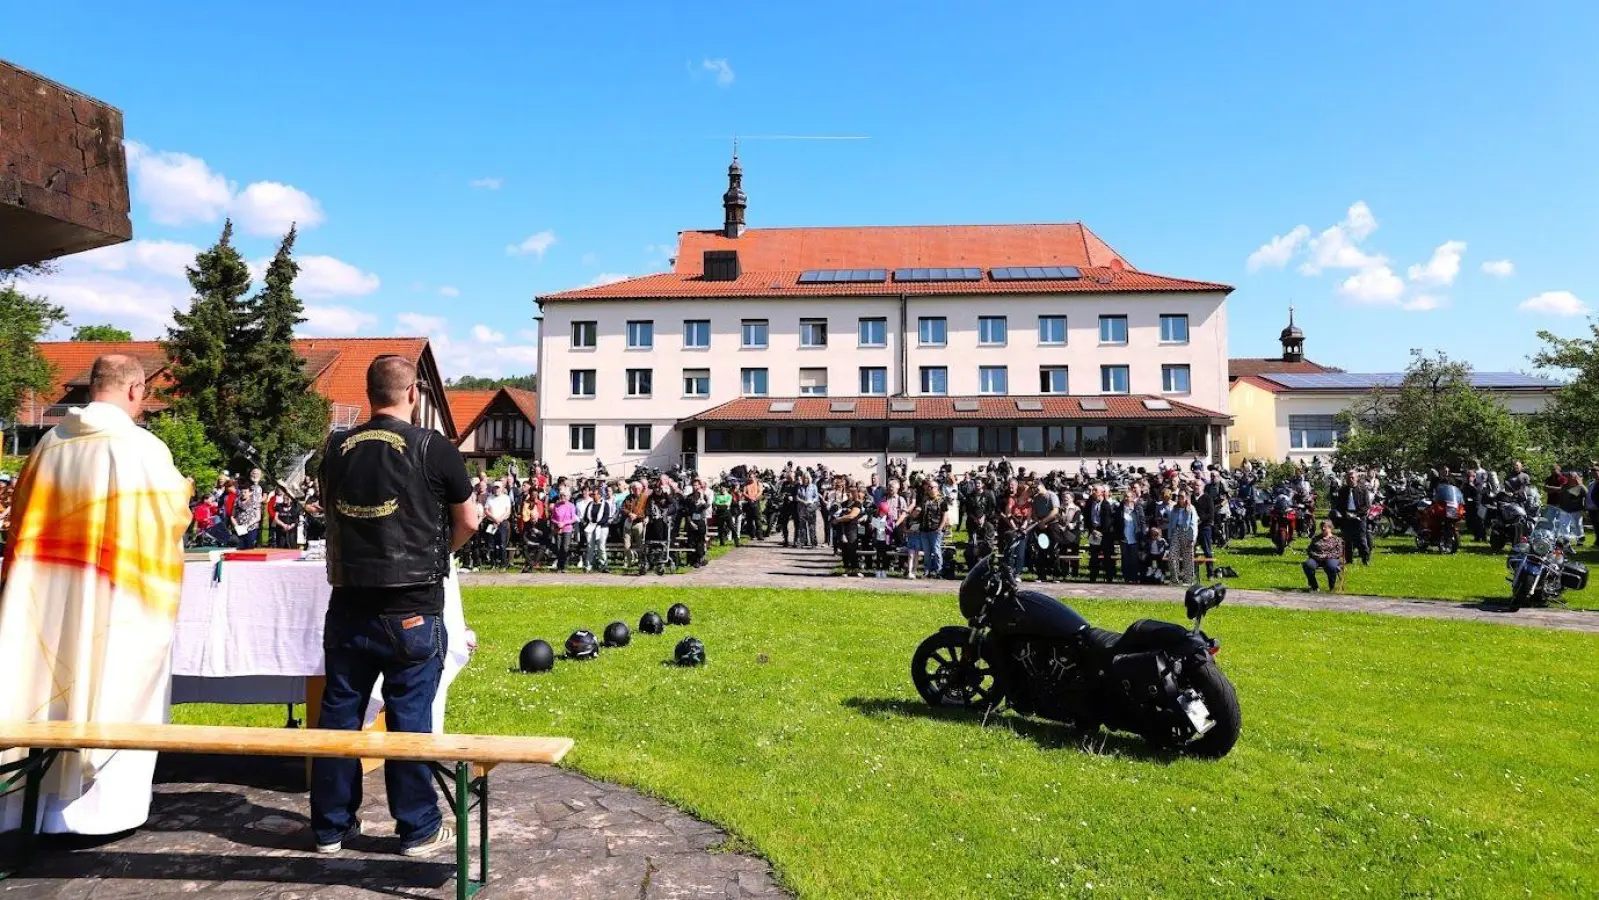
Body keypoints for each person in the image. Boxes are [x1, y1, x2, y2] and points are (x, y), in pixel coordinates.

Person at [0, 355, 190, 836]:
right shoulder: (141, 448)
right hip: (113, 600)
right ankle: (94, 816)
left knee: (39, 687)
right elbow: (167, 524)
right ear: (135, 390)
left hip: (43, 600)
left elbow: (20, 521)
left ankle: (28, 811)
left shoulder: (47, 445)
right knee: (109, 682)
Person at [311, 354, 479, 857]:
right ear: (413, 394)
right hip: (412, 604)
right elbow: (469, 521)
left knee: (339, 714)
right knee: (409, 716)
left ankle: (330, 828)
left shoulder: (335, 448)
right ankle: (418, 828)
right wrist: (439, 554)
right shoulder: (433, 447)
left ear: (369, 394)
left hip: (349, 601)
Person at [1331, 470, 1372, 565]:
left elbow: (1367, 506)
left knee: (1361, 539)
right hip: (1346, 517)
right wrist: (1343, 514)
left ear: (1357, 478)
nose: (1350, 479)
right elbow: (1339, 505)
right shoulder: (1342, 490)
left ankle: (1365, 559)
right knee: (1347, 539)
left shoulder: (1363, 489)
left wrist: (1356, 514)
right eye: (1348, 478)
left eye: (1352, 477)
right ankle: (1349, 559)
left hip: (1359, 517)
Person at [1303, 520, 1345, 591]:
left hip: (1331, 558)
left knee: (1331, 567)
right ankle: (1314, 587)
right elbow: (1310, 550)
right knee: (1307, 565)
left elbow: (1339, 553)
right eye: (1322, 527)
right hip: (1316, 559)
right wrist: (1317, 556)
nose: (1323, 528)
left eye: (1325, 527)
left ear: (1330, 528)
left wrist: (1326, 556)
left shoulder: (1336, 539)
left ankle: (1332, 587)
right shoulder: (1316, 538)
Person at [1167, 492, 1198, 584]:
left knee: (1187, 557)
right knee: (1172, 556)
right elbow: (1171, 523)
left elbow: (1193, 524)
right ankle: (1174, 579)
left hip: (1187, 533)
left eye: (1182, 497)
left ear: (1186, 498)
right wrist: (1169, 536)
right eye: (1179, 497)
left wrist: (1192, 538)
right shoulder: (1174, 509)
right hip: (1176, 532)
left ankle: (1188, 580)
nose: (1180, 499)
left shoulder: (1191, 508)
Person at [834, 487, 865, 576]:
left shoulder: (857, 503)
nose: (848, 494)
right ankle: (846, 569)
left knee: (852, 549)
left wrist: (839, 519)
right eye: (847, 492)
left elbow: (852, 516)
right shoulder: (843, 504)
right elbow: (837, 513)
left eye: (850, 493)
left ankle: (855, 569)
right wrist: (840, 519)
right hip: (843, 528)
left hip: (852, 529)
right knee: (845, 550)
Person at [233, 468, 265, 549]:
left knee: (250, 544)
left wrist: (258, 502)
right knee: (241, 545)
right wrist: (237, 526)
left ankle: (258, 544)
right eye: (253, 473)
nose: (255, 474)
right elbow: (233, 516)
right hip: (240, 524)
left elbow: (265, 496)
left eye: (257, 473)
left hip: (253, 516)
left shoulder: (262, 484)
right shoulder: (246, 484)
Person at [483, 481, 513, 567]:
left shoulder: (506, 498)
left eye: (498, 488)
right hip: (491, 523)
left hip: (502, 523)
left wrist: (499, 520)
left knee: (502, 544)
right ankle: (493, 564)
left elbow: (508, 512)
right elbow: (486, 510)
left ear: (502, 488)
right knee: (491, 544)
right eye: (495, 487)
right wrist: (494, 519)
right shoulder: (489, 498)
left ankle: (503, 564)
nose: (496, 489)